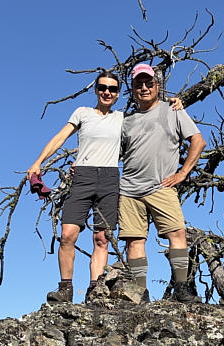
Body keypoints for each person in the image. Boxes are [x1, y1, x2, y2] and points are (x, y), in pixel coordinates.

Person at [27, 70, 183, 304]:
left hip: (110, 178)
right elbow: (61, 137)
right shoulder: (83, 113)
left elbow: (149, 112)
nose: (107, 92)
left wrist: (174, 101)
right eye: (102, 88)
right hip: (83, 176)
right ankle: (65, 288)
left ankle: (94, 290)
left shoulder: (122, 118)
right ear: (96, 90)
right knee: (68, 234)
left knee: (102, 238)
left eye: (112, 89)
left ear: (119, 93)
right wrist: (38, 162)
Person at [118, 63, 206, 303]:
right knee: (135, 240)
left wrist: (183, 172)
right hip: (129, 189)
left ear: (157, 86)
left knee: (177, 233)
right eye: (139, 84)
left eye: (149, 83)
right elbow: (113, 152)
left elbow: (197, 141)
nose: (144, 88)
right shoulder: (126, 121)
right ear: (133, 89)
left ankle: (182, 288)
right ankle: (140, 293)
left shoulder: (173, 110)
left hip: (162, 186)